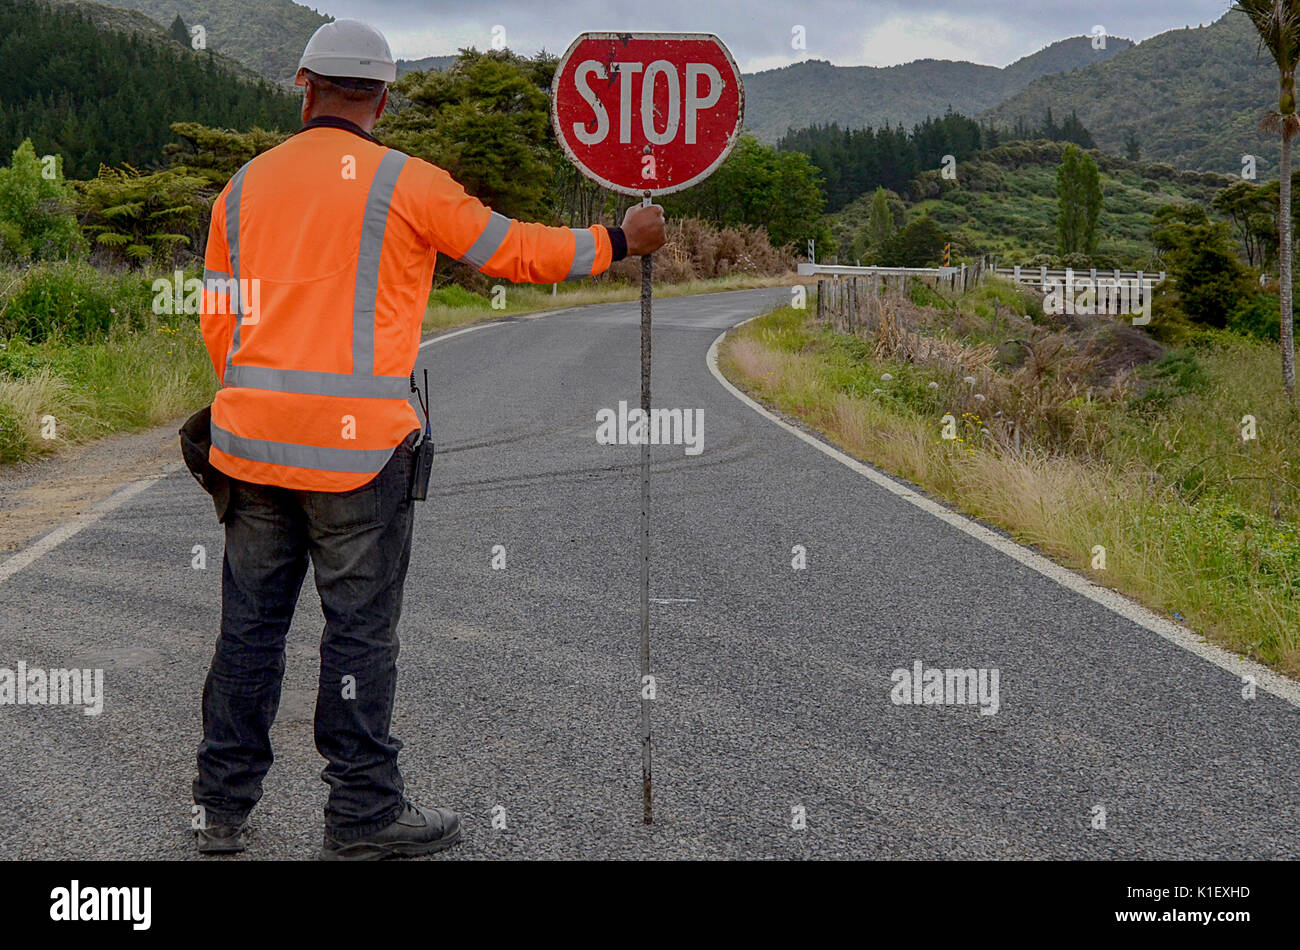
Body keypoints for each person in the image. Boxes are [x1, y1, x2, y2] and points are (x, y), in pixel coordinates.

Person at [191, 19, 667, 860]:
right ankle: (363, 814)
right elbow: (516, 251)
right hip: (362, 456)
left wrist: (266, 395)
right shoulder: (406, 183)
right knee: (359, 636)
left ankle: (221, 812)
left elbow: (220, 324)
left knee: (249, 631)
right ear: (383, 96)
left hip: (250, 448)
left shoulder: (243, 187)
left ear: (303, 86)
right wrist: (620, 241)